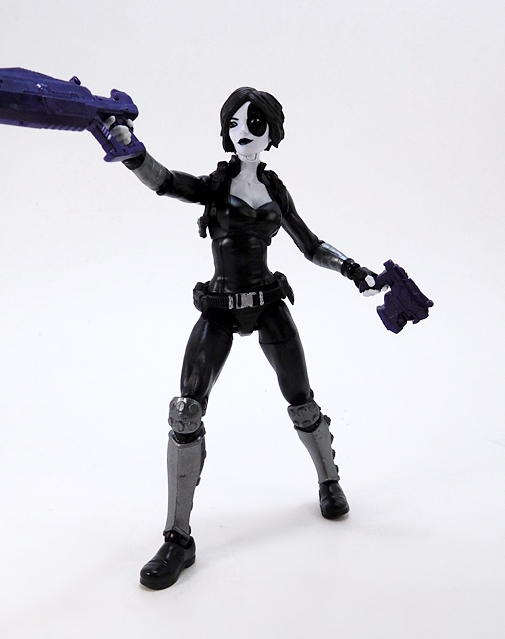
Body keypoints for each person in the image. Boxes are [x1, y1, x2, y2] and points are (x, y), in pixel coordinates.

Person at [106, 87, 380, 590]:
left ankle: (329, 480)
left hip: (269, 305)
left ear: (272, 133)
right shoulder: (217, 186)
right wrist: (132, 152)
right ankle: (177, 538)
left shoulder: (275, 189)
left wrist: (352, 269)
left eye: (255, 124)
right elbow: (167, 182)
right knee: (186, 410)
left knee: (302, 400)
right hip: (220, 307)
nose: (244, 132)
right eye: (235, 123)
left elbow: (310, 244)